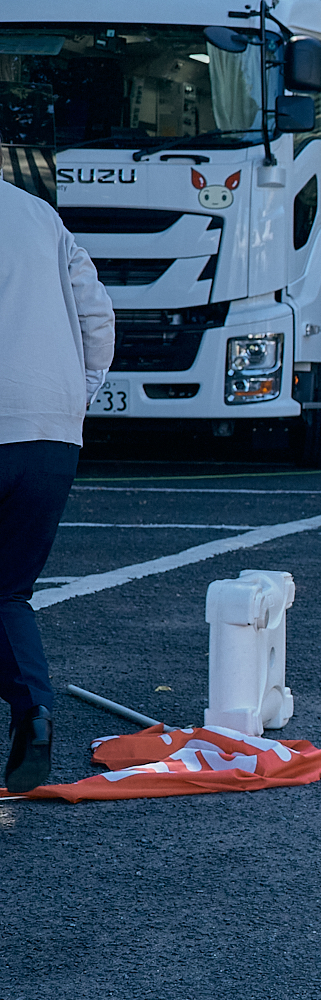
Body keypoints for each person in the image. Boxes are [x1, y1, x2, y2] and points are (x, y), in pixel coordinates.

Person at [1, 178, 114, 793]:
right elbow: (97, 313)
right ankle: (33, 715)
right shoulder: (41, 216)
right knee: (8, 590)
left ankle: (33, 713)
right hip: (49, 431)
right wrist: (77, 397)